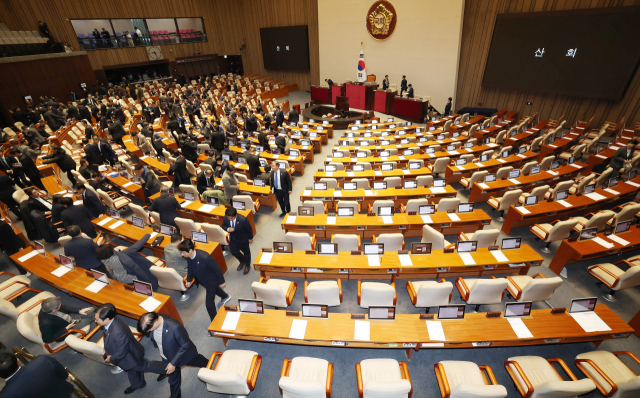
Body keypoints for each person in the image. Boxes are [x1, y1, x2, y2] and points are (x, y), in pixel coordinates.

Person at [94, 303, 166, 394]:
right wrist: (106, 349)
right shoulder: (112, 320)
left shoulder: (117, 332)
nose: (95, 320)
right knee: (132, 370)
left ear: (107, 319)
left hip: (132, 356)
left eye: (97, 319)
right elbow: (108, 337)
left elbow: (122, 351)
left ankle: (165, 369)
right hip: (127, 356)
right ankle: (138, 384)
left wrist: (111, 359)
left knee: (145, 366)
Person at [137, 312, 208, 398]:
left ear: (155, 321)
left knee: (201, 362)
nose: (148, 332)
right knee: (173, 381)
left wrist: (173, 363)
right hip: (167, 357)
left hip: (184, 356)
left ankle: (213, 367)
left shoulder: (175, 327)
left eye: (149, 329)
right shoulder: (154, 319)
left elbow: (185, 344)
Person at [178, 238, 229, 320]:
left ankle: (215, 323)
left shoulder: (204, 257)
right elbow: (190, 269)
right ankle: (225, 297)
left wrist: (222, 281)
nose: (182, 254)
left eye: (183, 252)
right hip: (204, 281)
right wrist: (189, 280)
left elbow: (217, 269)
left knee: (209, 304)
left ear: (190, 251)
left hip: (212, 281)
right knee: (215, 290)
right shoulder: (189, 258)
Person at [0, 352, 74, 398]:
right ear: (18, 360)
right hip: (64, 392)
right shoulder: (42, 360)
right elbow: (65, 376)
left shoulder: (5, 395)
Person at [222, 206, 253, 275]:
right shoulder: (226, 217)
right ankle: (242, 261)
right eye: (228, 218)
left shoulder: (243, 220)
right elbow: (223, 226)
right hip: (233, 239)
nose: (230, 220)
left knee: (246, 252)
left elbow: (249, 229)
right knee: (233, 252)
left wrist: (250, 238)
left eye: (231, 218)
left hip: (243, 239)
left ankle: (247, 265)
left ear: (235, 215)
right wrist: (228, 229)